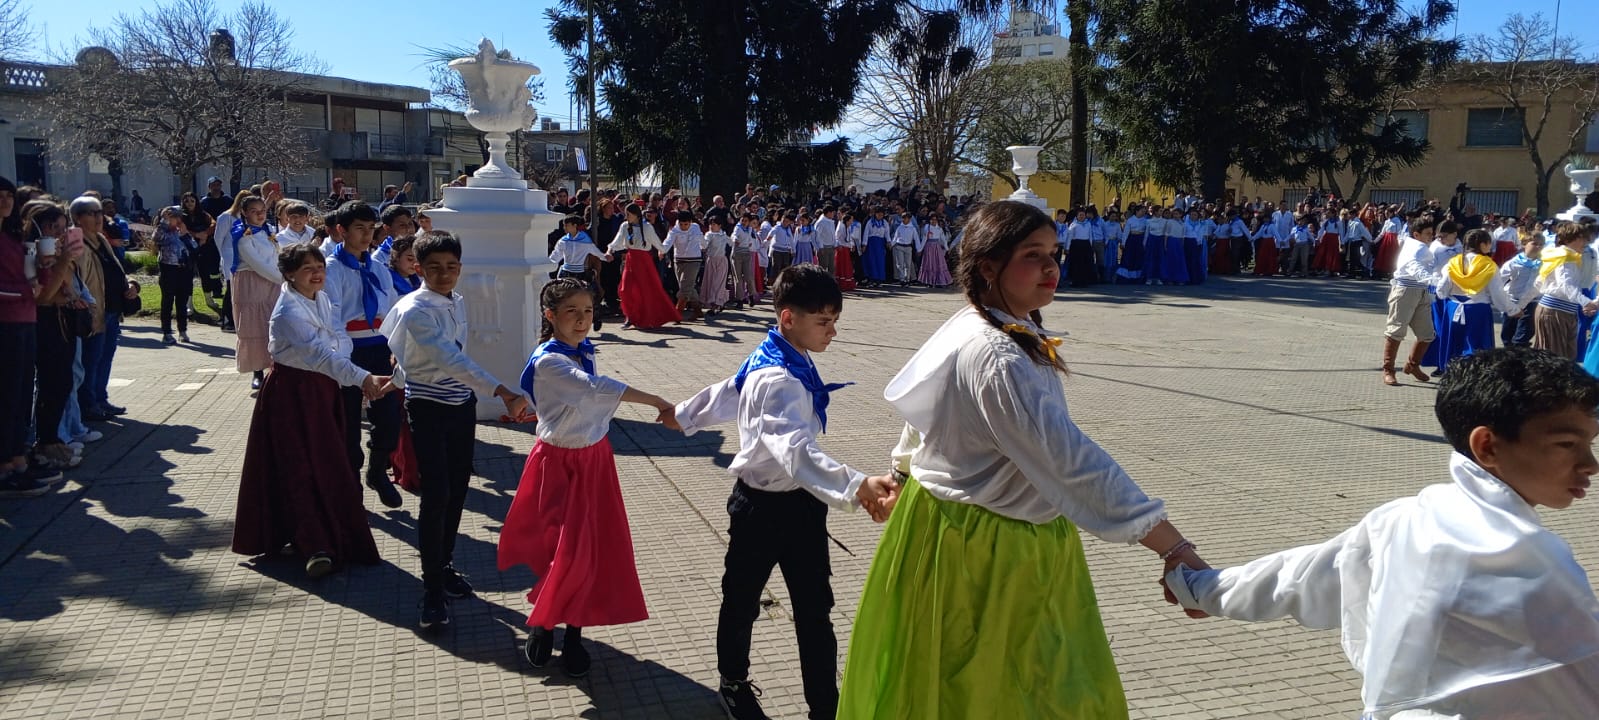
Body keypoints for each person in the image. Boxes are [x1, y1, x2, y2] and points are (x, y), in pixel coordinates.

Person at [837, 201, 1204, 719]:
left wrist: (900, 472)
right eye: (1033, 256)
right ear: (988, 266)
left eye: (1054, 253)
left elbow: (925, 408)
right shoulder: (996, 355)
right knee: (1001, 690)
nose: (1052, 268)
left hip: (965, 529)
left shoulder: (988, 324)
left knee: (984, 687)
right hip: (986, 547)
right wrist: (1174, 547)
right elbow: (1070, 461)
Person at [1166, 346, 1599, 719]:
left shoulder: (1409, 516)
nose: (1590, 464)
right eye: (1567, 444)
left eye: (1590, 444)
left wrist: (1199, 588)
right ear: (1487, 446)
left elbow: (1298, 577)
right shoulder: (1532, 560)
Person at [674, 265, 901, 720]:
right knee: (742, 601)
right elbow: (793, 451)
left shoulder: (777, 354)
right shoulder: (776, 378)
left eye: (835, 320)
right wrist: (857, 485)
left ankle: (825, 706)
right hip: (760, 508)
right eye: (823, 321)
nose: (833, 331)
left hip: (802, 506)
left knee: (815, 610)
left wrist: (683, 415)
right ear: (787, 318)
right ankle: (733, 683)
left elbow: (730, 390)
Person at [498, 278, 679, 677]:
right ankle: (544, 624)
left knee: (588, 550)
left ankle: (574, 633)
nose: (582, 320)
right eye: (571, 312)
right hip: (557, 463)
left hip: (594, 460)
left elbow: (594, 403)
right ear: (550, 316)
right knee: (557, 548)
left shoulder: (583, 350)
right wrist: (656, 400)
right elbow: (592, 389)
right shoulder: (550, 360)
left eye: (588, 312)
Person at [381, 230, 532, 629]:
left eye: (451, 267)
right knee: (437, 494)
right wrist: (501, 390)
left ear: (460, 269)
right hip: (428, 408)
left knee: (459, 489)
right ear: (417, 268)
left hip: (459, 406)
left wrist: (395, 379)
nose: (444, 274)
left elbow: (420, 356)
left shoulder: (457, 301)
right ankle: (431, 589)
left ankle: (444, 564)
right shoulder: (415, 309)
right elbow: (447, 359)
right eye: (434, 268)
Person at [232, 243, 386, 578]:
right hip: (293, 393)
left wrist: (349, 371)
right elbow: (319, 355)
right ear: (288, 274)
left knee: (329, 461)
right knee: (298, 465)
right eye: (307, 269)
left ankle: (335, 533)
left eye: (320, 267)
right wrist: (362, 378)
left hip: (322, 390)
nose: (317, 274)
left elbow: (339, 338)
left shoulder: (322, 298)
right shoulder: (288, 312)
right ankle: (315, 544)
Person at [1, 181, 66, 497]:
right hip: (7, 322)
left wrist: (45, 269)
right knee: (9, 395)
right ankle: (6, 465)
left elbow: (32, 282)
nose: (5, 202)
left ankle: (18, 459)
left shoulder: (13, 239)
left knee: (21, 394)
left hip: (25, 320)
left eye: (8, 197)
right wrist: (31, 289)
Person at [1434, 229, 1519, 375]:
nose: (1490, 246)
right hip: (1477, 310)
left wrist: (1444, 297)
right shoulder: (1488, 265)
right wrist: (1512, 309)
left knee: (1454, 345)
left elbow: (1442, 289)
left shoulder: (1454, 263)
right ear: (1482, 244)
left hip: (1453, 308)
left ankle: (1451, 374)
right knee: (1478, 348)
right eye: (1488, 243)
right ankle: (1475, 377)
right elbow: (1498, 293)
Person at [1382, 217, 1449, 386]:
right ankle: (1388, 370)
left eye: (1432, 233)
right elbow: (1413, 266)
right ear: (1416, 234)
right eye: (1427, 233)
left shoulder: (1422, 246)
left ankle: (1413, 365)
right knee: (1396, 330)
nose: (1430, 236)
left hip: (1422, 291)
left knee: (1427, 334)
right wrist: (1430, 279)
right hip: (1405, 290)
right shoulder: (1415, 247)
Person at [230, 196, 282, 389]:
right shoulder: (243, 236)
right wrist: (284, 279)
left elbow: (277, 256)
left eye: (262, 210)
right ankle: (257, 370)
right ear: (245, 212)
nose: (260, 214)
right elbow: (257, 264)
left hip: (273, 283)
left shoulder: (269, 232)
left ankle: (274, 367)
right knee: (255, 326)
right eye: (254, 211)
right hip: (252, 283)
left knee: (273, 324)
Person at [1533, 221, 1599, 360]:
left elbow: (1538, 283)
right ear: (1569, 239)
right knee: (1554, 359)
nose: (1585, 242)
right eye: (1582, 238)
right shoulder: (1565, 258)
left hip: (1563, 310)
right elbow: (1566, 286)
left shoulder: (1565, 256)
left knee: (1564, 358)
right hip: (1555, 311)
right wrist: (1587, 302)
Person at [607, 204, 679, 329]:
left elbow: (656, 242)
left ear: (636, 214)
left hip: (644, 261)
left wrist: (662, 250)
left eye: (628, 214)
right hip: (631, 260)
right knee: (625, 289)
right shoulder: (625, 226)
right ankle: (630, 316)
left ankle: (645, 318)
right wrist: (609, 250)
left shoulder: (647, 227)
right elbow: (617, 241)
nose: (626, 216)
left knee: (646, 290)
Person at [550, 214, 608, 331]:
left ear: (574, 226)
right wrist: (547, 264)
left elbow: (596, 252)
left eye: (567, 225)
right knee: (561, 298)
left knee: (588, 297)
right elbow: (555, 256)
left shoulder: (585, 240)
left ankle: (596, 317)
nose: (564, 227)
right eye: (564, 225)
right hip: (566, 273)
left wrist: (606, 257)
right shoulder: (563, 241)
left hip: (580, 274)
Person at [153, 207, 197, 344]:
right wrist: (165, 222)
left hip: (183, 270)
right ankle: (166, 332)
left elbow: (195, 247)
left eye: (179, 218)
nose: (178, 220)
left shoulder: (182, 232)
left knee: (182, 301)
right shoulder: (163, 232)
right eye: (174, 218)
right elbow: (157, 237)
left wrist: (185, 234)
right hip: (168, 269)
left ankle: (182, 330)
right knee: (167, 301)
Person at [1500, 235, 1543, 347]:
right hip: (1512, 300)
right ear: (1524, 244)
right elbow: (1499, 281)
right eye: (1534, 243)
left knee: (1523, 335)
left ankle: (1520, 353)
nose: (1538, 247)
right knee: (1508, 334)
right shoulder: (1513, 263)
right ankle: (1508, 355)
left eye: (1541, 245)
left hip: (1532, 303)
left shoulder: (1543, 264)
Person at [663, 210, 706, 319]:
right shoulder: (675, 230)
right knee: (686, 287)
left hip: (694, 260)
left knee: (685, 287)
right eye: (681, 224)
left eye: (686, 224)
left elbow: (702, 240)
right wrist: (662, 250)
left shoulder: (696, 227)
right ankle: (697, 309)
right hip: (679, 260)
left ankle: (678, 312)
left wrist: (704, 246)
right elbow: (668, 241)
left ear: (691, 222)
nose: (683, 227)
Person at [701, 217, 732, 313]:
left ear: (719, 226)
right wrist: (701, 242)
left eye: (714, 224)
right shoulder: (709, 235)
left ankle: (717, 303)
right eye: (710, 224)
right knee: (710, 282)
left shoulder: (723, 235)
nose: (711, 226)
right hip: (711, 261)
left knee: (718, 283)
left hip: (722, 261)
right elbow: (704, 245)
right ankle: (712, 303)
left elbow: (731, 243)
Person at [918, 213, 953, 288]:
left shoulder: (939, 229)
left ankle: (939, 281)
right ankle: (929, 281)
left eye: (935, 220)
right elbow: (924, 239)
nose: (933, 221)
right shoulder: (927, 227)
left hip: (936, 247)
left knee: (938, 263)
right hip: (929, 247)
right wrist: (920, 249)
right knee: (929, 263)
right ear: (930, 220)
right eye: (932, 220)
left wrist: (947, 248)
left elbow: (943, 239)